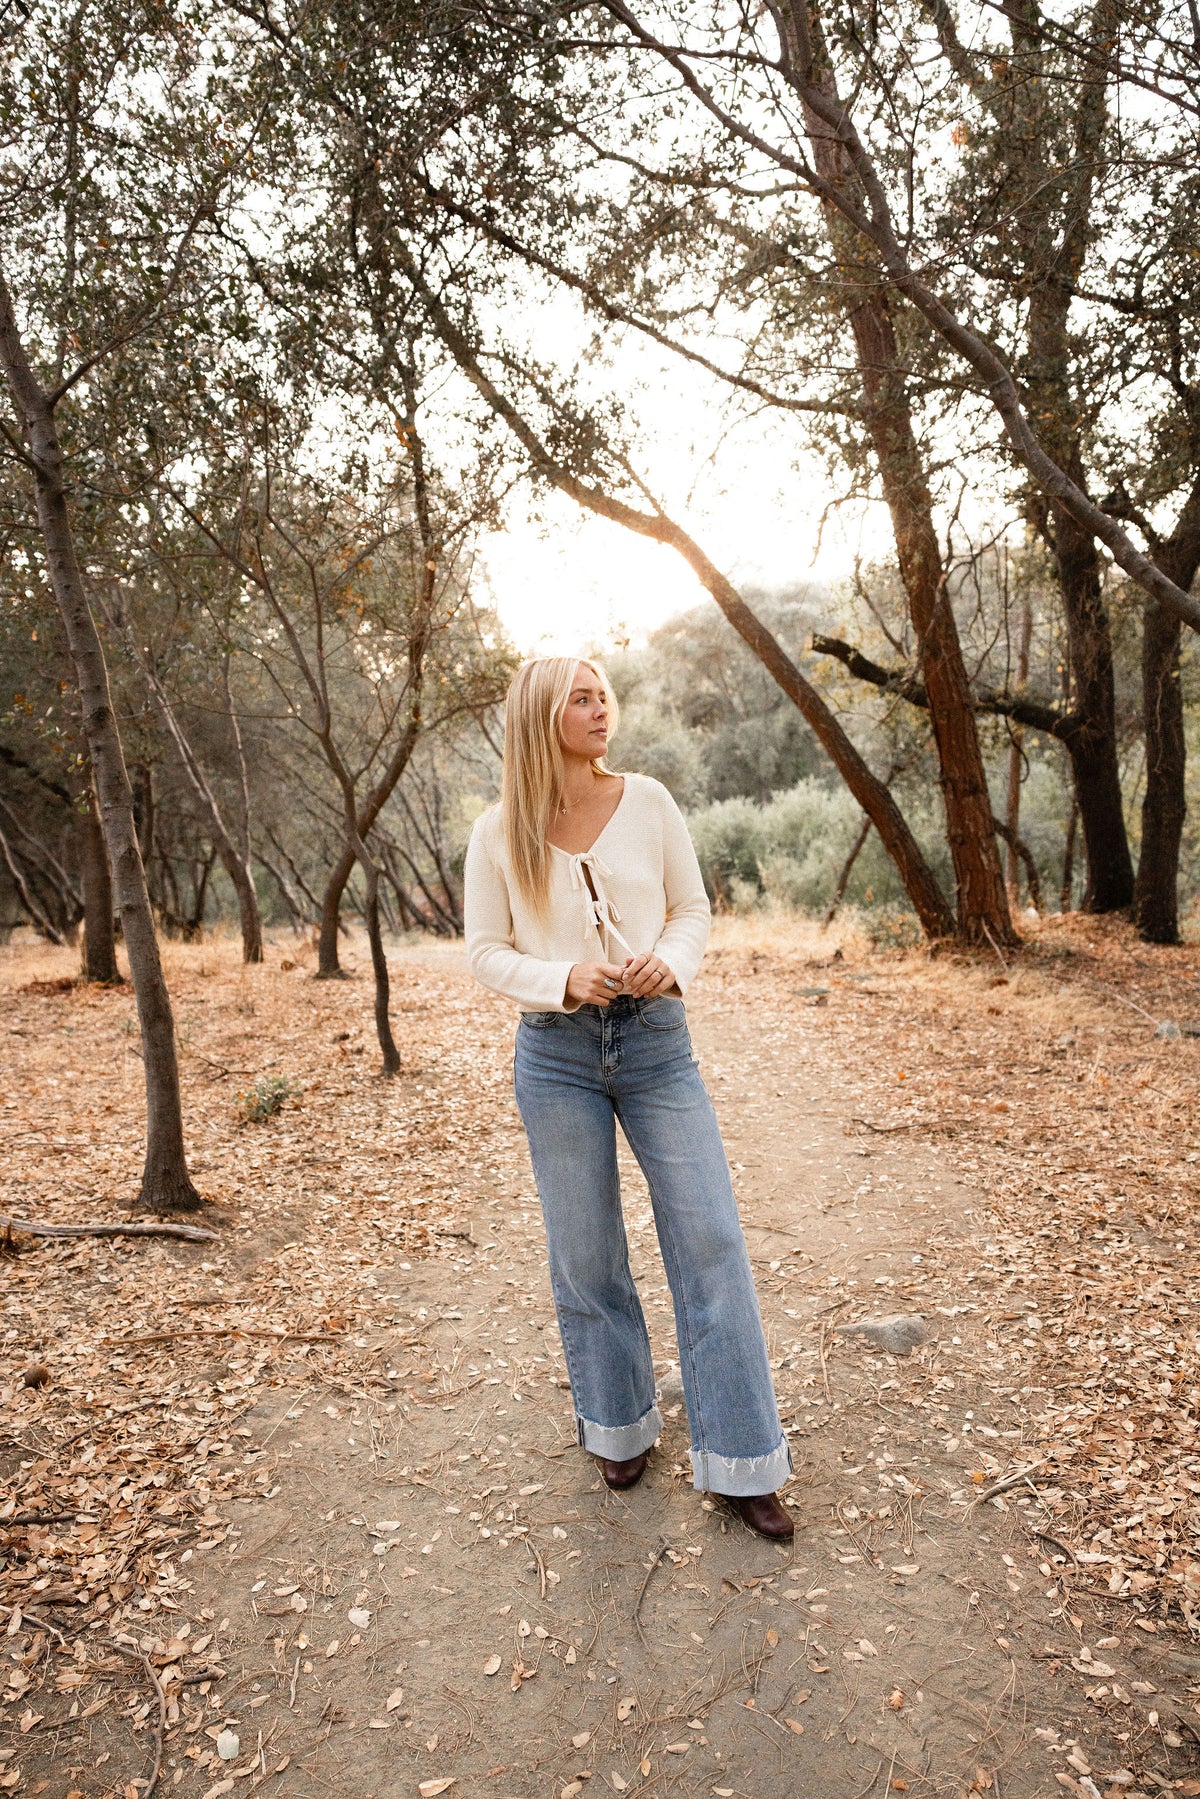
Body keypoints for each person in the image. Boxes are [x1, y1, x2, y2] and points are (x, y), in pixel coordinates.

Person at [463, 656, 793, 1539]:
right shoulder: (499, 831)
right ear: (543, 715)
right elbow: (485, 950)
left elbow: (693, 908)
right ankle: (618, 1423)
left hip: (655, 1045)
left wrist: (670, 961)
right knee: (586, 1250)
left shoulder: (648, 802)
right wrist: (564, 976)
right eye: (580, 696)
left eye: (603, 691)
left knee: (710, 1234)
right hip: (556, 1055)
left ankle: (743, 1459)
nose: (600, 705)